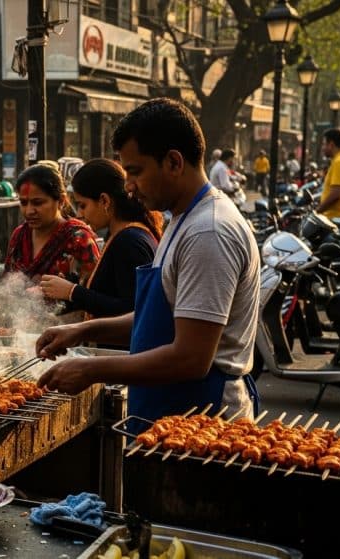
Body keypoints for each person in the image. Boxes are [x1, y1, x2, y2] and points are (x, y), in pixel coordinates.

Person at [35, 98, 260, 423]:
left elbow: (191, 358)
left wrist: (91, 369)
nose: (128, 186)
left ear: (173, 162)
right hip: (171, 413)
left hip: (203, 422)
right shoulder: (183, 219)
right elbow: (159, 319)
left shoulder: (208, 231)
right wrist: (83, 330)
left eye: (135, 171)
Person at [38, 158, 161, 321]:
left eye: (83, 205)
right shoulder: (121, 235)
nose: (79, 214)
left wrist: (72, 292)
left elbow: (132, 312)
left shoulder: (128, 241)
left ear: (104, 201)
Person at [3, 164, 101, 306]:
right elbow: (6, 284)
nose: (29, 211)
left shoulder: (79, 239)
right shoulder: (19, 235)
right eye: (23, 203)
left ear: (61, 201)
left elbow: (95, 298)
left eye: (38, 203)